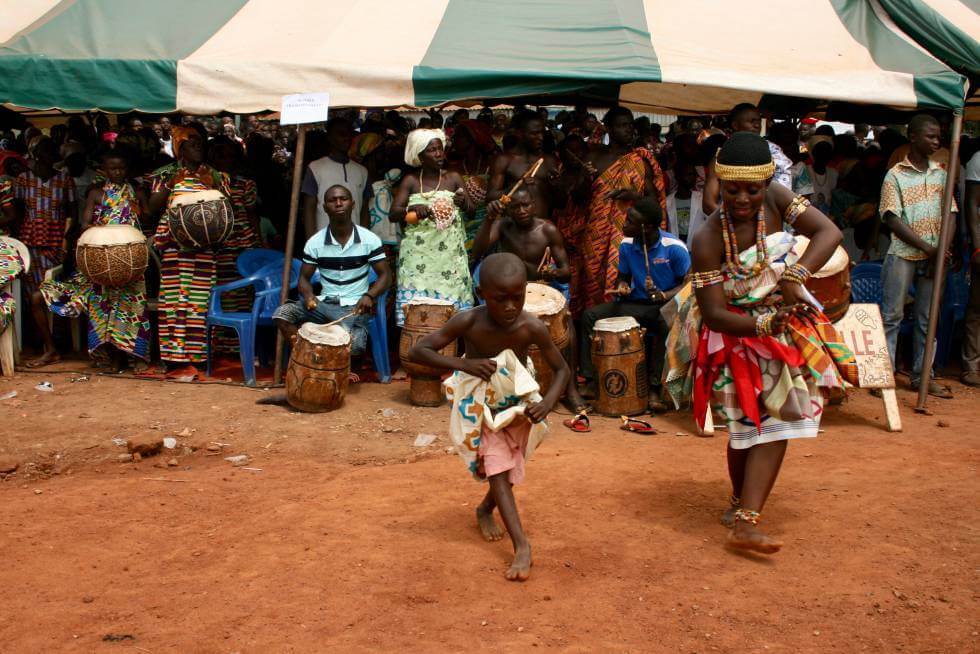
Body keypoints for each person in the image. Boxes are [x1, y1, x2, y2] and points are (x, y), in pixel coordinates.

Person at [664, 132, 858, 554]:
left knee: (779, 421)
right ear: (718, 183)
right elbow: (715, 313)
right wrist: (764, 324)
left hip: (779, 330)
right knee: (743, 431)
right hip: (733, 337)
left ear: (767, 183)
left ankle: (747, 519)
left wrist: (796, 275)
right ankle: (740, 504)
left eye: (753, 190)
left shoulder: (778, 199)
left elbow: (828, 233)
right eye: (732, 189)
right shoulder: (706, 240)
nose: (742, 199)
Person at [408, 252, 570, 581]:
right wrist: (464, 364)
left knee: (508, 464)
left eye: (517, 297)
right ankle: (521, 546)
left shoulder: (531, 326)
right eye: (501, 299)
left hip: (518, 402)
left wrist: (549, 402)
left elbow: (562, 369)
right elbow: (418, 350)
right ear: (482, 294)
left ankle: (485, 508)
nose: (511, 306)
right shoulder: (469, 321)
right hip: (478, 402)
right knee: (497, 465)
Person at [39, 150, 151, 371]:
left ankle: (136, 356)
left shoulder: (136, 192)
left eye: (121, 168)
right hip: (103, 260)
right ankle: (113, 357)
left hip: (131, 261)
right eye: (112, 168)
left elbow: (148, 216)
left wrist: (138, 210)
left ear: (126, 169)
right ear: (104, 170)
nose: (117, 172)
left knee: (134, 309)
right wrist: (104, 235)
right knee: (105, 309)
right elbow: (84, 224)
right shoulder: (96, 194)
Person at [579, 198, 689, 411]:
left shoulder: (674, 248)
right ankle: (591, 381)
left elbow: (688, 283)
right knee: (590, 316)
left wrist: (664, 294)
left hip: (664, 307)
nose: (624, 224)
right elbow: (623, 277)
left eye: (630, 221)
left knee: (665, 324)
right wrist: (622, 286)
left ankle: (655, 389)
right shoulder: (627, 245)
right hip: (636, 304)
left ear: (647, 227)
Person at [879, 115, 955, 398]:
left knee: (927, 318)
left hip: (934, 255)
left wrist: (940, 251)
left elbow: (951, 214)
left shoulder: (941, 174)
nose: (936, 142)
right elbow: (892, 219)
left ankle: (923, 376)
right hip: (903, 253)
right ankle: (884, 377)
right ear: (913, 137)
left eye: (939, 137)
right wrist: (928, 248)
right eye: (931, 136)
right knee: (892, 316)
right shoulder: (895, 174)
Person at [273, 185, 390, 362]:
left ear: (353, 204)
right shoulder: (315, 242)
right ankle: (307, 359)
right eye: (332, 200)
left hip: (355, 307)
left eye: (343, 199)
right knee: (282, 314)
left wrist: (369, 295)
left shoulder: (369, 239)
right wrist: (309, 295)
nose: (338, 203)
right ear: (325, 207)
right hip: (324, 305)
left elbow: (386, 276)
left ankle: (321, 358)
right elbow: (304, 278)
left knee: (356, 346)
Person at [147, 124, 232, 369]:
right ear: (179, 147)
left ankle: (198, 357)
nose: (198, 147)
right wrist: (171, 184)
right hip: (175, 250)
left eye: (200, 143)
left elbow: (225, 210)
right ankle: (173, 357)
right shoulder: (167, 174)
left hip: (204, 250)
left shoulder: (214, 176)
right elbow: (152, 208)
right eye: (191, 143)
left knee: (199, 304)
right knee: (174, 303)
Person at [578, 106, 666, 312]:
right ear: (608, 128)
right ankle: (596, 323)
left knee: (620, 274)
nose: (629, 130)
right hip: (595, 230)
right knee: (592, 275)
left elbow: (654, 202)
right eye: (622, 125)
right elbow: (579, 199)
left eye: (630, 125)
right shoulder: (594, 156)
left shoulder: (640, 160)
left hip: (626, 230)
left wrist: (633, 196)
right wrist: (584, 177)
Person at [389, 129, 473, 325]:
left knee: (453, 316)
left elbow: (470, 211)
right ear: (419, 156)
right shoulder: (410, 181)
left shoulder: (453, 177)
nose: (438, 154)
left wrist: (462, 203)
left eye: (440, 149)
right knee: (417, 318)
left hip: (450, 257)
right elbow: (393, 214)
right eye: (431, 150)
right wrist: (412, 208)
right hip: (418, 257)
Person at [15, 137, 77, 367]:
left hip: (55, 243)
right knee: (32, 294)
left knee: (51, 293)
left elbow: (72, 213)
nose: (52, 157)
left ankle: (57, 344)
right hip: (30, 242)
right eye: (47, 152)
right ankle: (44, 344)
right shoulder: (23, 180)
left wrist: (66, 241)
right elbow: (20, 213)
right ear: (37, 154)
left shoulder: (64, 180)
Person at [702, 104, 793, 215]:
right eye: (751, 121)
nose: (757, 125)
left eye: (758, 121)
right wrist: (733, 223)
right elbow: (708, 204)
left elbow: (783, 198)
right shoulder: (721, 156)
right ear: (735, 125)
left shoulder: (773, 152)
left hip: (769, 225)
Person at [486, 111, 561, 221]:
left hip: (545, 230)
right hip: (515, 232)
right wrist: (517, 186)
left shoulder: (548, 160)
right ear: (519, 133)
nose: (540, 137)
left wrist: (556, 186)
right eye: (534, 133)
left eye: (542, 132)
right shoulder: (504, 160)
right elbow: (490, 197)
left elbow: (561, 203)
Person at [301, 118, 370, 238]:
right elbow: (309, 209)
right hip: (324, 243)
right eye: (341, 134)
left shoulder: (362, 171)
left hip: (355, 244)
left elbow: (364, 210)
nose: (347, 138)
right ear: (329, 137)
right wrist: (311, 244)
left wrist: (364, 240)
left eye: (349, 134)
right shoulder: (315, 168)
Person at [447, 119, 496, 252]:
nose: (454, 139)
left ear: (472, 138)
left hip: (485, 222)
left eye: (458, 136)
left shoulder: (491, 164)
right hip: (461, 223)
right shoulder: (453, 166)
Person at [963, 144, 980, 387]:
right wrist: (977, 245)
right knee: (977, 307)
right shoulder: (979, 159)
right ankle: (971, 366)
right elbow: (972, 204)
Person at [666, 161, 705, 245]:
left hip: (696, 247)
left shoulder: (701, 198)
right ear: (678, 176)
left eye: (695, 174)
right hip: (675, 247)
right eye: (690, 174)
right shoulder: (668, 201)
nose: (695, 178)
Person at [806, 140, 838, 215]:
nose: (823, 154)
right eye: (820, 151)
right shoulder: (804, 171)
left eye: (827, 152)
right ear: (813, 153)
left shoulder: (834, 173)